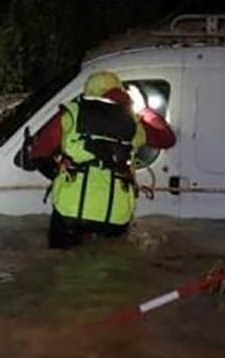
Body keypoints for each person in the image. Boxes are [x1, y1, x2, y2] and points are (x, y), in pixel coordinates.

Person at [18, 71, 175, 249]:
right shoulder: (134, 123)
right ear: (119, 91)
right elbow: (166, 139)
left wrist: (58, 169)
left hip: (71, 210)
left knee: (60, 261)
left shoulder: (72, 114)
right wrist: (143, 110)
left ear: (88, 92)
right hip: (115, 214)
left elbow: (39, 152)